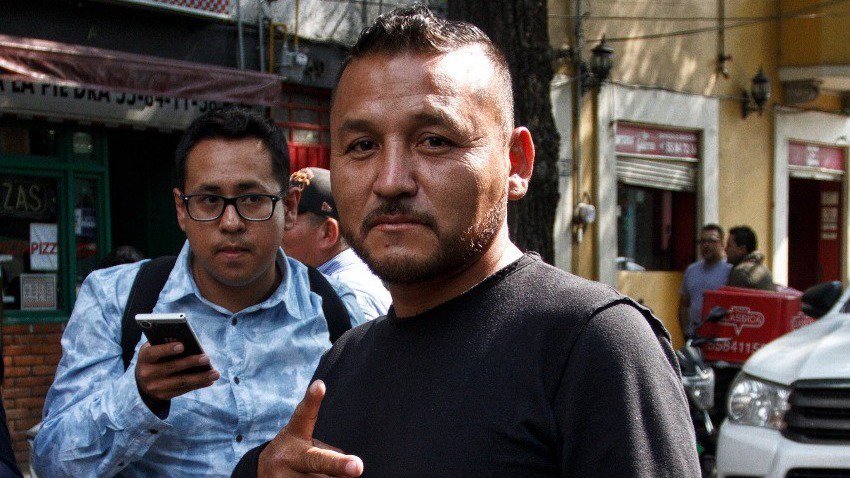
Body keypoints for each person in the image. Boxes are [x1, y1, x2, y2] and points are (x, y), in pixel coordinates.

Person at [233, 6, 699, 477]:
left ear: (516, 163)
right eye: (362, 146)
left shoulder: (593, 346)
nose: (390, 181)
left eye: (434, 141)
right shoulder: (344, 362)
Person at [33, 108, 365, 477]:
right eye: (209, 200)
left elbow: (367, 443)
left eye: (252, 199)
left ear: (288, 207)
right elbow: (52, 462)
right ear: (181, 209)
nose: (231, 223)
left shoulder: (335, 308)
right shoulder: (114, 299)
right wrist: (138, 396)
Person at [283, 167, 391, 319]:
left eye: (288, 217)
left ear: (328, 233)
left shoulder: (348, 296)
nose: (277, 227)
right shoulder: (328, 284)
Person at [679, 224, 732, 337]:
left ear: (722, 243)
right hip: (695, 336)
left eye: (711, 241)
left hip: (720, 337)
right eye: (702, 241)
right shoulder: (691, 270)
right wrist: (686, 331)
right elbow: (684, 304)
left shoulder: (730, 270)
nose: (706, 245)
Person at [726, 225, 775, 291]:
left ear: (742, 249)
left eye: (729, 246)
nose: (725, 249)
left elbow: (734, 297)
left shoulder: (741, 272)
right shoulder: (764, 269)